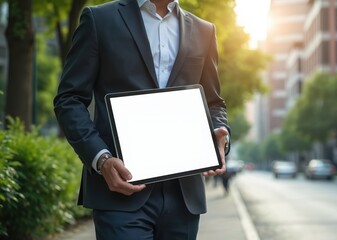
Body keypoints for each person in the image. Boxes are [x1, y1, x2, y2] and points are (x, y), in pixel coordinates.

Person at [53, 0, 230, 239]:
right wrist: (101, 159)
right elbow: (69, 99)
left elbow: (214, 102)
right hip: (120, 189)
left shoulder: (204, 30)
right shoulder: (99, 20)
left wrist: (220, 131)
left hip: (183, 195)